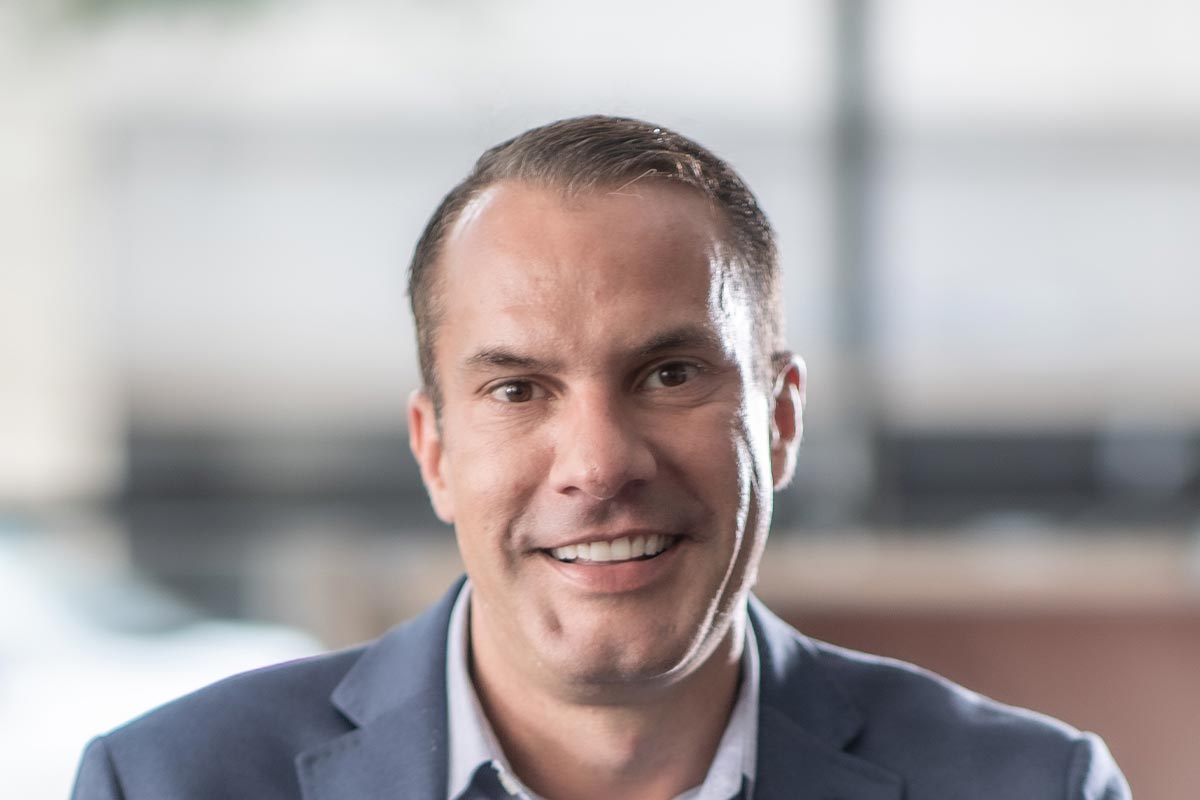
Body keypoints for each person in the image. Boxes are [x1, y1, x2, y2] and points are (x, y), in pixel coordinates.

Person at [71, 115, 1129, 799]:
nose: (598, 462)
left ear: (781, 419)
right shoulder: (167, 783)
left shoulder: (1032, 785)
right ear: (435, 450)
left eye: (669, 374)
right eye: (518, 389)